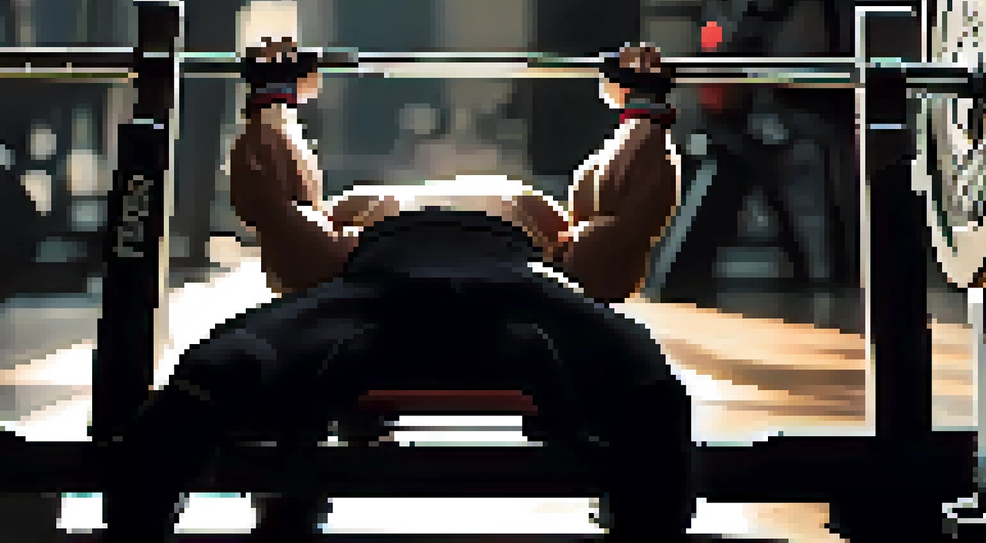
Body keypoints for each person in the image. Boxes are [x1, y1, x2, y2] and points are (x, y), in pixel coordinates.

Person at [120, 38, 692, 541]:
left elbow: (626, 225)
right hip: (384, 272)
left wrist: (642, 113)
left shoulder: (535, 215)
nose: (450, 146)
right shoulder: (367, 210)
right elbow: (276, 207)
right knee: (212, 374)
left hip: (506, 274)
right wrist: (274, 103)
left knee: (647, 380)